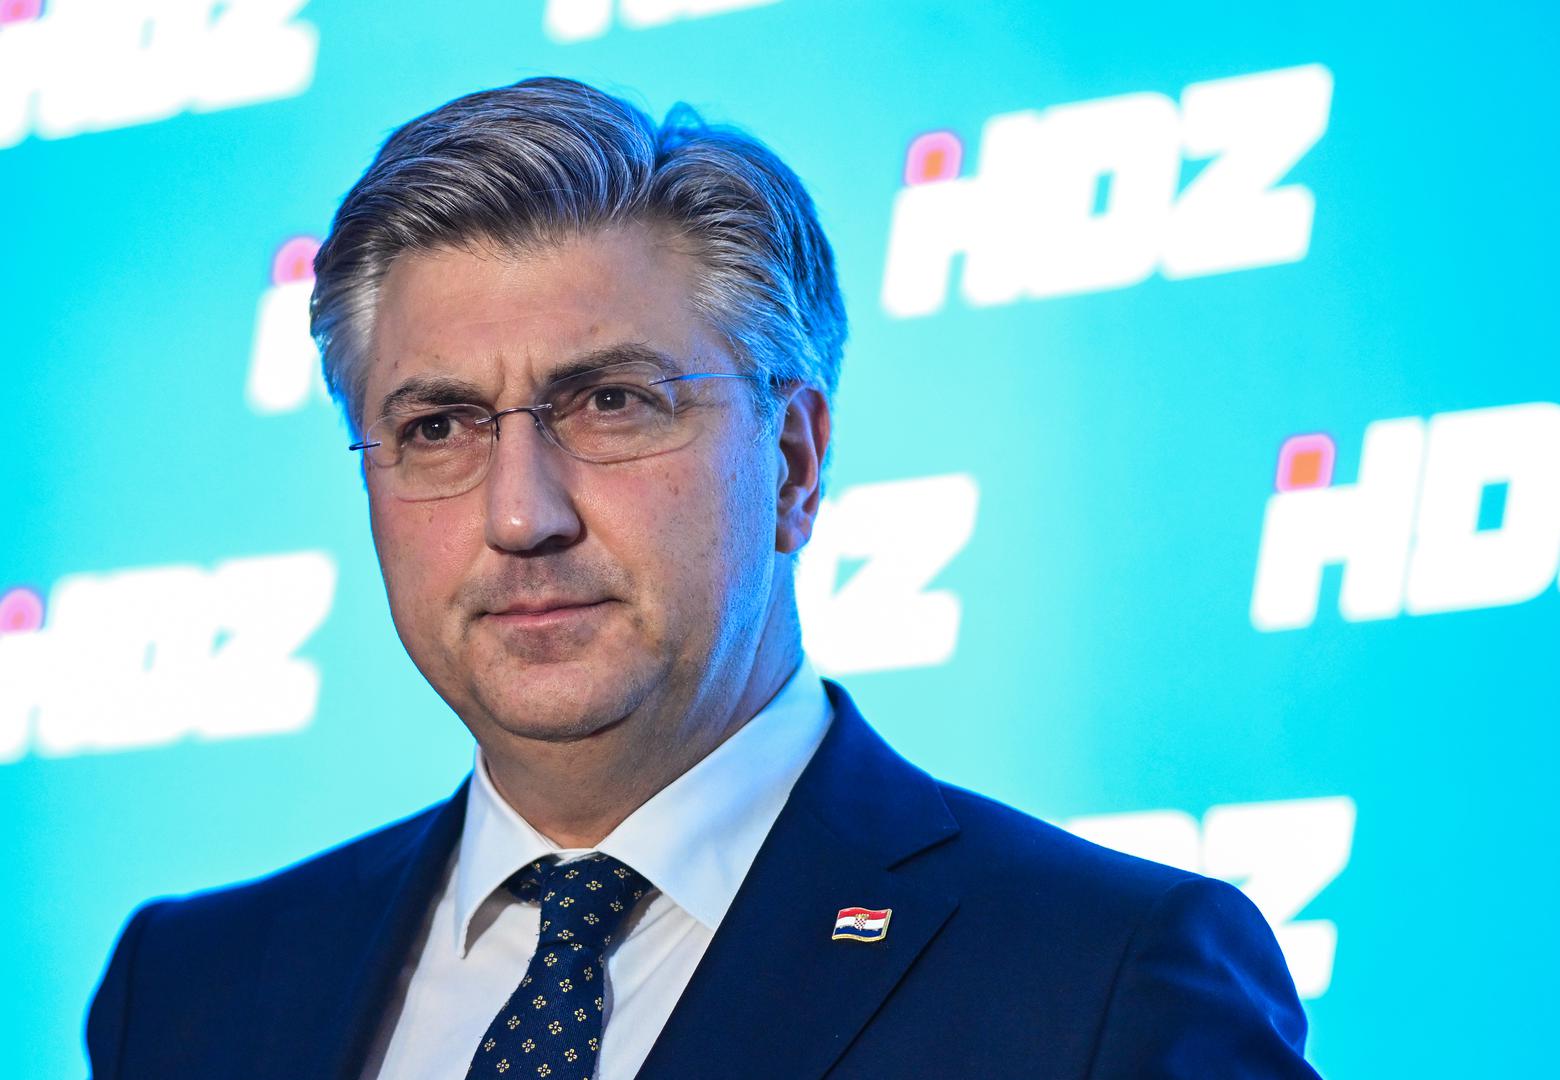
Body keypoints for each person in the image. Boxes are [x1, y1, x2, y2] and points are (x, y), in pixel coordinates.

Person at [86, 77, 1320, 1079]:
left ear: (793, 461)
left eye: (612, 403)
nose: (520, 515)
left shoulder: (1102, 980)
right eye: (438, 427)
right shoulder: (190, 992)